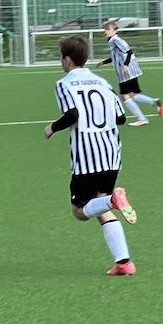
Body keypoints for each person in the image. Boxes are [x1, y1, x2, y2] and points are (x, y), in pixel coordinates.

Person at [45, 35, 139, 276]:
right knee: (100, 207)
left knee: (80, 211)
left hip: (87, 157)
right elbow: (120, 118)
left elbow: (72, 114)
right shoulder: (102, 82)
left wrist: (52, 128)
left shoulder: (64, 83)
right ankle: (124, 262)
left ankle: (114, 200)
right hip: (111, 153)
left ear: (67, 60)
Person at [97, 20, 163, 126]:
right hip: (128, 72)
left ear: (115, 30)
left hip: (127, 73)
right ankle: (154, 102)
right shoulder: (113, 41)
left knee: (125, 96)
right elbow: (116, 56)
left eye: (108, 29)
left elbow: (128, 52)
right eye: (105, 29)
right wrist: (104, 62)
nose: (105, 31)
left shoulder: (116, 40)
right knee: (132, 95)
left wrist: (126, 65)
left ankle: (142, 118)